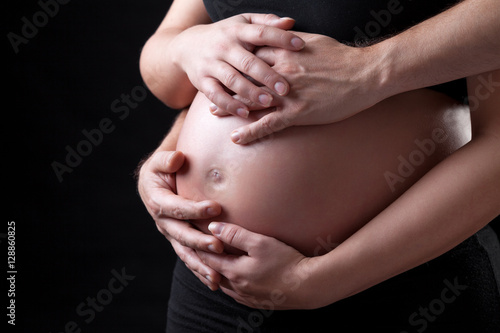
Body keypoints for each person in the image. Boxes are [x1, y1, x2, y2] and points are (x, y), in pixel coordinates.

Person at [137, 0, 500, 331]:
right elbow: (168, 75)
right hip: (211, 289)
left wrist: (316, 279)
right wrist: (186, 48)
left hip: (396, 290)